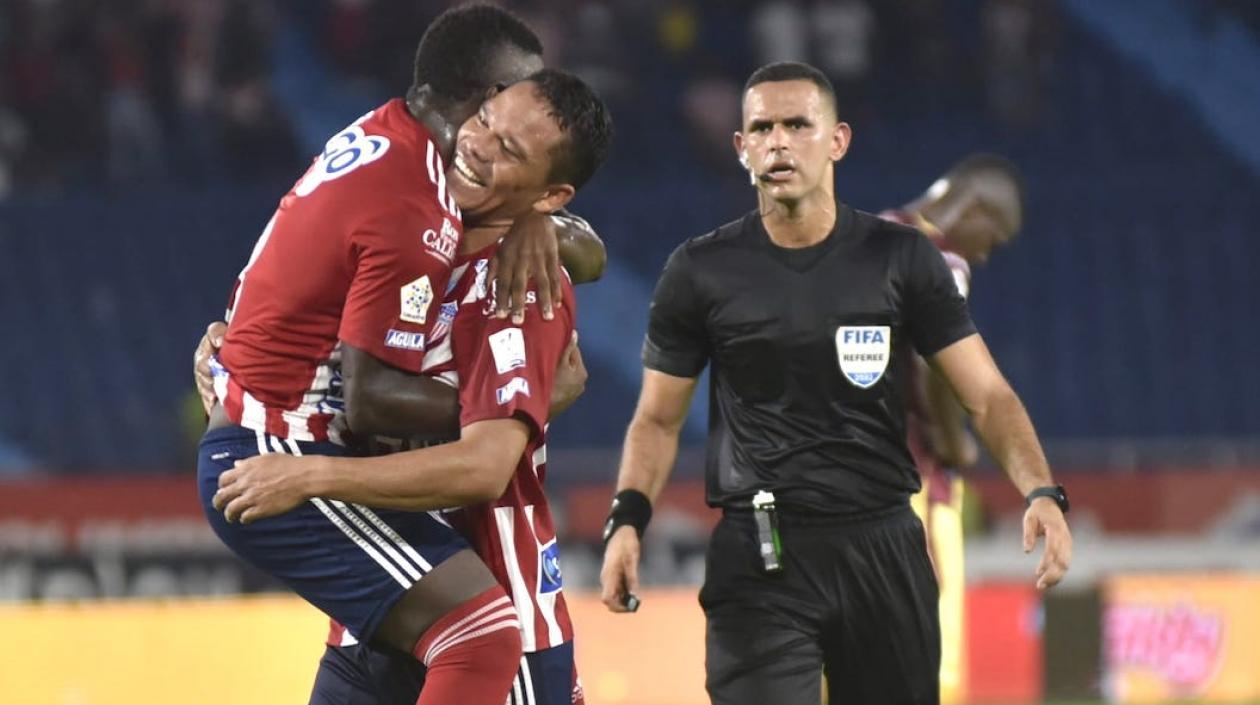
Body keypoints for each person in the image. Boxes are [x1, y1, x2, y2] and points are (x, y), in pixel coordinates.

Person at [598, 61, 1071, 705]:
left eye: (798, 124)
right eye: (762, 127)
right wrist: (628, 518)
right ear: (741, 148)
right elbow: (656, 419)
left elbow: (987, 394)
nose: (779, 141)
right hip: (761, 551)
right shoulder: (699, 270)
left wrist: (1040, 489)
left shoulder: (903, 261)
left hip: (883, 546)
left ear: (838, 140)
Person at [196, 6, 602, 703]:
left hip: (495, 600)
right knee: (470, 632)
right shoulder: (419, 213)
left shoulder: (522, 287)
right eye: (490, 121)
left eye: (511, 149)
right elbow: (357, 378)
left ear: (548, 191)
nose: (481, 145)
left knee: (481, 633)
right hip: (396, 594)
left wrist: (519, 407)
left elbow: (483, 463)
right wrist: (242, 366)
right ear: (476, 102)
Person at [881, 153, 1025, 705]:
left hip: (840, 483)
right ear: (978, 208)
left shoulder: (862, 239)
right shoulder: (942, 261)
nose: (985, 253)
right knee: (930, 662)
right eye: (994, 238)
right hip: (914, 480)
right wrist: (951, 438)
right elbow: (934, 363)